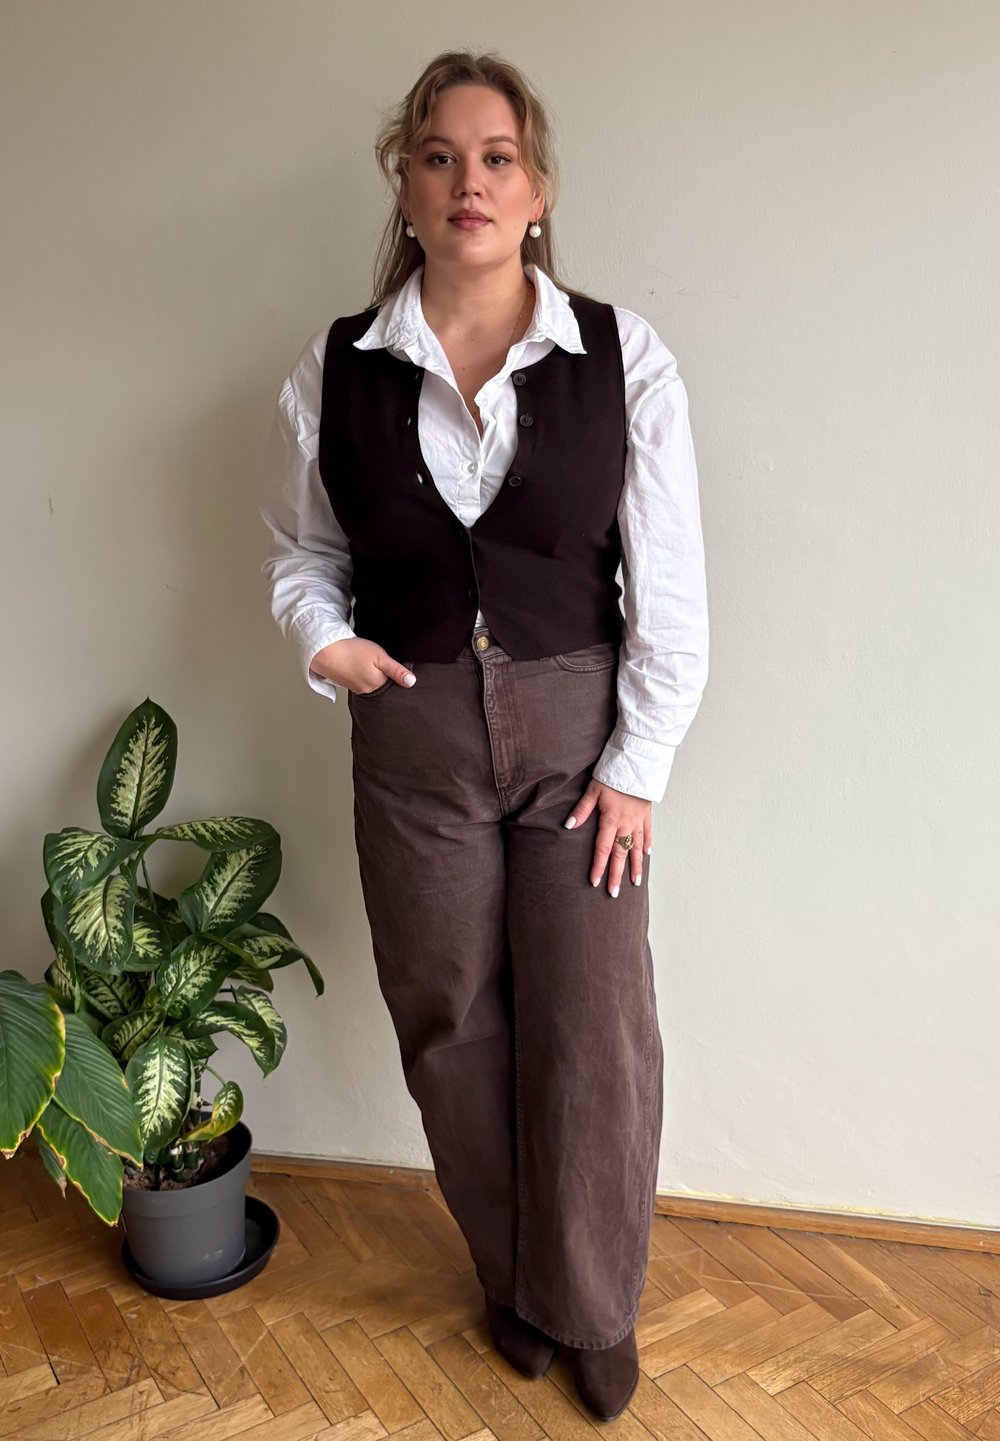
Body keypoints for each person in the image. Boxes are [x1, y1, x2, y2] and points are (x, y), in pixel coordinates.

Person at [260, 49, 709, 1422]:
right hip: (413, 737)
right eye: (441, 155)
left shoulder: (622, 358)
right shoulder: (331, 369)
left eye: (497, 155)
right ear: (404, 184)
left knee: (595, 1027)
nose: (470, 180)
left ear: (539, 187)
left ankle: (591, 1302)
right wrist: (320, 640)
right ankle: (518, 1279)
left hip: (580, 736)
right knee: (448, 1020)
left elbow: (669, 580)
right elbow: (302, 551)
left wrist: (640, 764)